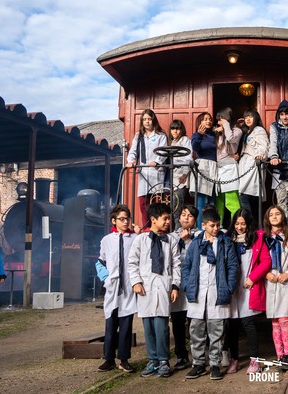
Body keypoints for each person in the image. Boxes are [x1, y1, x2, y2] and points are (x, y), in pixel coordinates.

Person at [181, 208, 239, 381]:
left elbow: (233, 267)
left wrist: (229, 287)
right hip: (198, 293)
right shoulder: (195, 243)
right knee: (196, 330)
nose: (216, 229)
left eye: (218, 225)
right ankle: (198, 364)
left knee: (217, 331)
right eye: (212, 226)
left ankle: (215, 364)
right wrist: (186, 284)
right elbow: (186, 265)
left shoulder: (225, 242)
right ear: (203, 225)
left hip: (217, 291)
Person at [128, 203, 182, 378]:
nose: (168, 222)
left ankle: (164, 360)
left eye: (168, 218)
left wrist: (175, 286)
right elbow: (132, 263)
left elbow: (177, 265)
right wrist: (136, 282)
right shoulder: (140, 240)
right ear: (153, 220)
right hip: (145, 289)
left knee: (162, 327)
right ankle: (152, 360)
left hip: (163, 288)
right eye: (165, 218)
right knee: (148, 327)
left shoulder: (171, 241)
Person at [225, 208, 272, 374]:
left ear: (249, 223)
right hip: (232, 285)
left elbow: (266, 261)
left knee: (248, 323)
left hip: (249, 285)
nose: (239, 227)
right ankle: (234, 359)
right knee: (232, 324)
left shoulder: (258, 238)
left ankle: (255, 360)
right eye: (237, 223)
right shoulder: (227, 238)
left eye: (243, 224)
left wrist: (253, 277)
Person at [94, 204, 140, 373]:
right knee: (110, 326)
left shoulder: (135, 238)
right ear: (114, 220)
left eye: (127, 218)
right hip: (112, 289)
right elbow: (100, 262)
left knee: (126, 327)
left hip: (128, 289)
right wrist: (106, 279)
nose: (125, 222)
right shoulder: (107, 240)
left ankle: (124, 359)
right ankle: (108, 359)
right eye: (121, 219)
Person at [263, 205, 288, 370]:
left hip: (286, 282)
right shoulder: (263, 237)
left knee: (284, 320)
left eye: (277, 213)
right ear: (267, 218)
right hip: (271, 282)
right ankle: (279, 356)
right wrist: (266, 274)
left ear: (283, 217)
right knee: (274, 321)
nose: (274, 216)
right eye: (271, 214)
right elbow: (258, 260)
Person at [169, 205, 199, 371]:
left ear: (195, 220)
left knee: (194, 323)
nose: (186, 218)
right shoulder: (172, 237)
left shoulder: (199, 236)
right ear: (179, 218)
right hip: (177, 285)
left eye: (190, 216)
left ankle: (198, 356)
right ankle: (181, 355)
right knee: (178, 323)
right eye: (183, 215)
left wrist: (188, 242)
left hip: (193, 284)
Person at [126, 109, 168, 228]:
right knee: (144, 204)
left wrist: (157, 161)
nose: (147, 122)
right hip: (144, 173)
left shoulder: (161, 135)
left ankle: (158, 229)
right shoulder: (138, 136)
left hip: (156, 172)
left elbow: (163, 152)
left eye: (149, 119)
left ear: (153, 119)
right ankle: (146, 229)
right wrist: (130, 161)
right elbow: (133, 151)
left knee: (156, 203)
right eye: (144, 119)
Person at [237, 108, 269, 216]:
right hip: (244, 164)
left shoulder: (259, 130)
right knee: (245, 194)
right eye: (246, 117)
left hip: (253, 163)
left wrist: (260, 155)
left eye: (250, 116)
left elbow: (263, 146)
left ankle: (251, 224)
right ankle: (251, 224)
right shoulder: (247, 131)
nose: (248, 119)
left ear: (256, 117)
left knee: (246, 195)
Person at [214, 107, 242, 226]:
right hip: (217, 170)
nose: (219, 122)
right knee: (218, 202)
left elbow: (230, 138)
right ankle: (217, 226)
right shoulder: (219, 133)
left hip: (230, 169)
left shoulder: (237, 131)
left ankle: (236, 226)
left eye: (221, 119)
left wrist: (226, 125)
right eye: (219, 120)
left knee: (232, 202)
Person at [189, 112, 218, 228]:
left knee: (212, 201)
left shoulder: (214, 136)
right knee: (201, 201)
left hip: (213, 167)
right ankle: (201, 229)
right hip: (202, 166)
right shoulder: (196, 135)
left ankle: (212, 227)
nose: (208, 121)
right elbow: (195, 148)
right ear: (199, 122)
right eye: (205, 119)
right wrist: (199, 135)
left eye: (210, 119)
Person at [168, 119, 193, 227]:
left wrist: (185, 173)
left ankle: (179, 228)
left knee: (177, 202)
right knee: (173, 204)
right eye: (173, 129)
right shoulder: (172, 143)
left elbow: (188, 158)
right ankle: (176, 227)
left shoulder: (185, 140)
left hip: (181, 177)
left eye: (177, 129)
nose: (175, 131)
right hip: (173, 178)